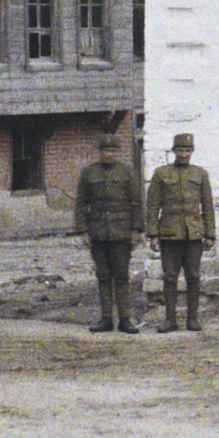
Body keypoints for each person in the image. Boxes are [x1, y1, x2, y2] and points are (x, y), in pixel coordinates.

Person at [146, 131, 216, 333]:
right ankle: (170, 320)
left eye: (187, 150)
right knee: (170, 277)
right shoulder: (161, 173)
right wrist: (153, 235)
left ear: (192, 151)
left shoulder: (200, 174)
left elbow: (208, 206)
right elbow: (152, 206)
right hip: (169, 233)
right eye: (180, 150)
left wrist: (210, 234)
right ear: (174, 151)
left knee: (193, 276)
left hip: (193, 233)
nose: (184, 154)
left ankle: (192, 319)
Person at [75, 131, 143, 334]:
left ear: (118, 152)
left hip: (121, 233)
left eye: (112, 150)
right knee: (103, 276)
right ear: (100, 152)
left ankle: (124, 320)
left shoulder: (127, 173)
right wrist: (83, 231)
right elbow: (81, 204)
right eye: (105, 150)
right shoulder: (89, 173)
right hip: (98, 232)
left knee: (121, 276)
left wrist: (136, 229)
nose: (109, 154)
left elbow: (136, 203)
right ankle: (105, 319)